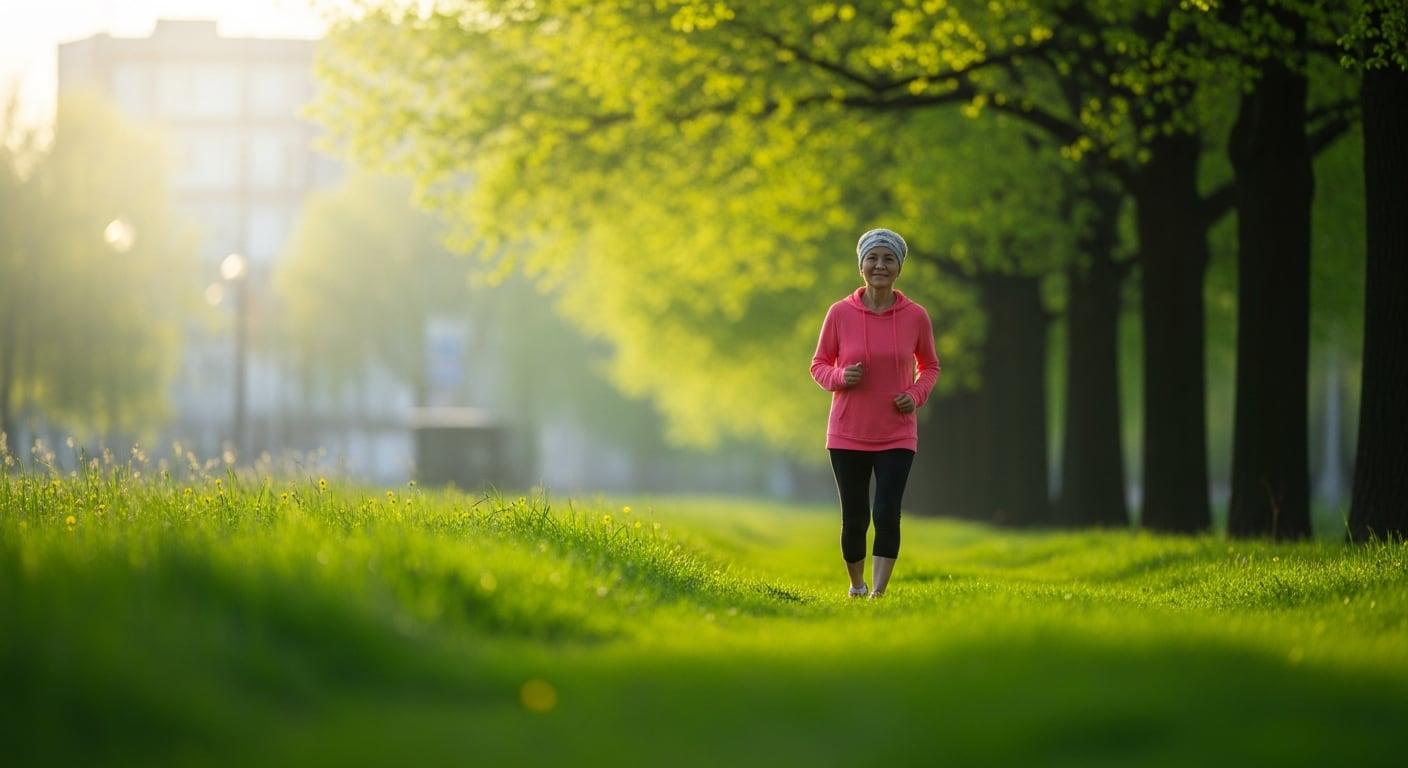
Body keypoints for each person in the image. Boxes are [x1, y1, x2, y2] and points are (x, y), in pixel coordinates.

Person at [810, 228, 940, 599]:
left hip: (897, 432)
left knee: (886, 511)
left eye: (888, 259)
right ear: (861, 266)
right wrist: (839, 376)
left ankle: (878, 593)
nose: (879, 265)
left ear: (899, 267)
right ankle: (856, 585)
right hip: (847, 431)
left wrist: (915, 395)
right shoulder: (839, 313)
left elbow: (930, 366)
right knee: (855, 518)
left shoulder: (915, 316)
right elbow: (818, 364)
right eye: (872, 258)